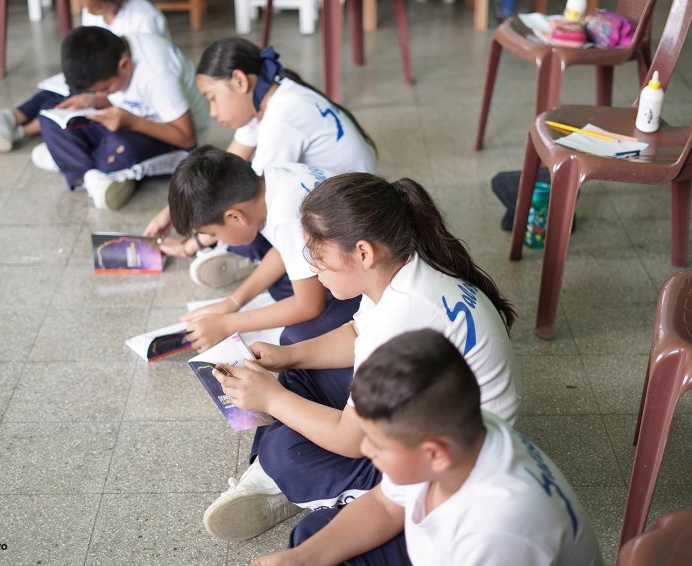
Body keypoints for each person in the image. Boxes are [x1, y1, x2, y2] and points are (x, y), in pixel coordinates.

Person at [201, 173, 521, 542]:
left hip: (451, 469)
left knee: (283, 453)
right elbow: (356, 332)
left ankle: (283, 478)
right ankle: (280, 473)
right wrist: (286, 356)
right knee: (298, 373)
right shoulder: (404, 268)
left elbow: (350, 439)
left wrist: (271, 399)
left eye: (318, 256)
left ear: (364, 253)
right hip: (431, 415)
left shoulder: (401, 315)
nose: (311, 267)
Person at [251, 330, 603, 566]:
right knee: (311, 539)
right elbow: (385, 505)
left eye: (378, 445)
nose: (366, 450)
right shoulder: (458, 431)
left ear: (434, 454)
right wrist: (302, 559)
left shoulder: (498, 532)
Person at [142, 37, 377, 287]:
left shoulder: (280, 120)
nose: (212, 111)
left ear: (239, 81)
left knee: (247, 223)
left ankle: (249, 258)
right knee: (238, 220)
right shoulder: (271, 97)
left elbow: (237, 197)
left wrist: (191, 244)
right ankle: (242, 253)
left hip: (350, 223)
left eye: (212, 98)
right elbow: (223, 166)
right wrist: (172, 211)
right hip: (348, 199)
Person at [167, 146, 360, 350]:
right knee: (279, 287)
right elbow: (286, 250)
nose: (215, 238)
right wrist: (232, 303)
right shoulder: (270, 177)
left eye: (213, 234)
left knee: (294, 338)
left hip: (365, 279)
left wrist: (226, 324)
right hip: (351, 249)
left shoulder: (287, 219)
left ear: (235, 217)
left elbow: (309, 306)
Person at [0, 0, 169, 154]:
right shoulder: (95, 11)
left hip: (128, 87)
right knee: (57, 90)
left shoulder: (143, 18)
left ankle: (15, 131)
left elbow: (137, 74)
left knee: (68, 102)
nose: (91, 12)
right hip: (104, 79)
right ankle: (8, 119)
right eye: (84, 6)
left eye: (96, 7)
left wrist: (95, 96)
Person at [30, 26, 209, 210]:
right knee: (49, 113)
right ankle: (92, 175)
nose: (103, 93)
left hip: (170, 140)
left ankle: (69, 160)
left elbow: (187, 138)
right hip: (128, 118)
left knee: (120, 150)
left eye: (105, 88)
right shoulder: (114, 53)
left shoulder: (158, 73)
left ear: (124, 65)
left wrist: (133, 121)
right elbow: (121, 98)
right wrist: (94, 99)